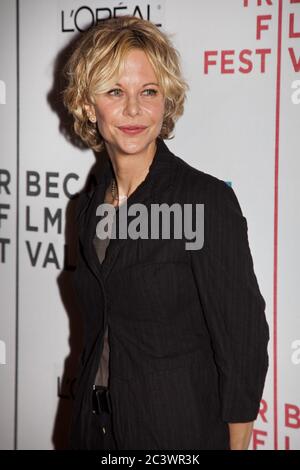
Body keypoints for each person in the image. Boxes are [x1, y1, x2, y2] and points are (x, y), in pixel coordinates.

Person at [63, 15, 269, 450]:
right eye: (115, 92)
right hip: (93, 429)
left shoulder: (204, 201)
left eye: (149, 92)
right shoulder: (87, 208)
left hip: (176, 433)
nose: (134, 110)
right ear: (86, 104)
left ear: (166, 101)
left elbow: (242, 339)